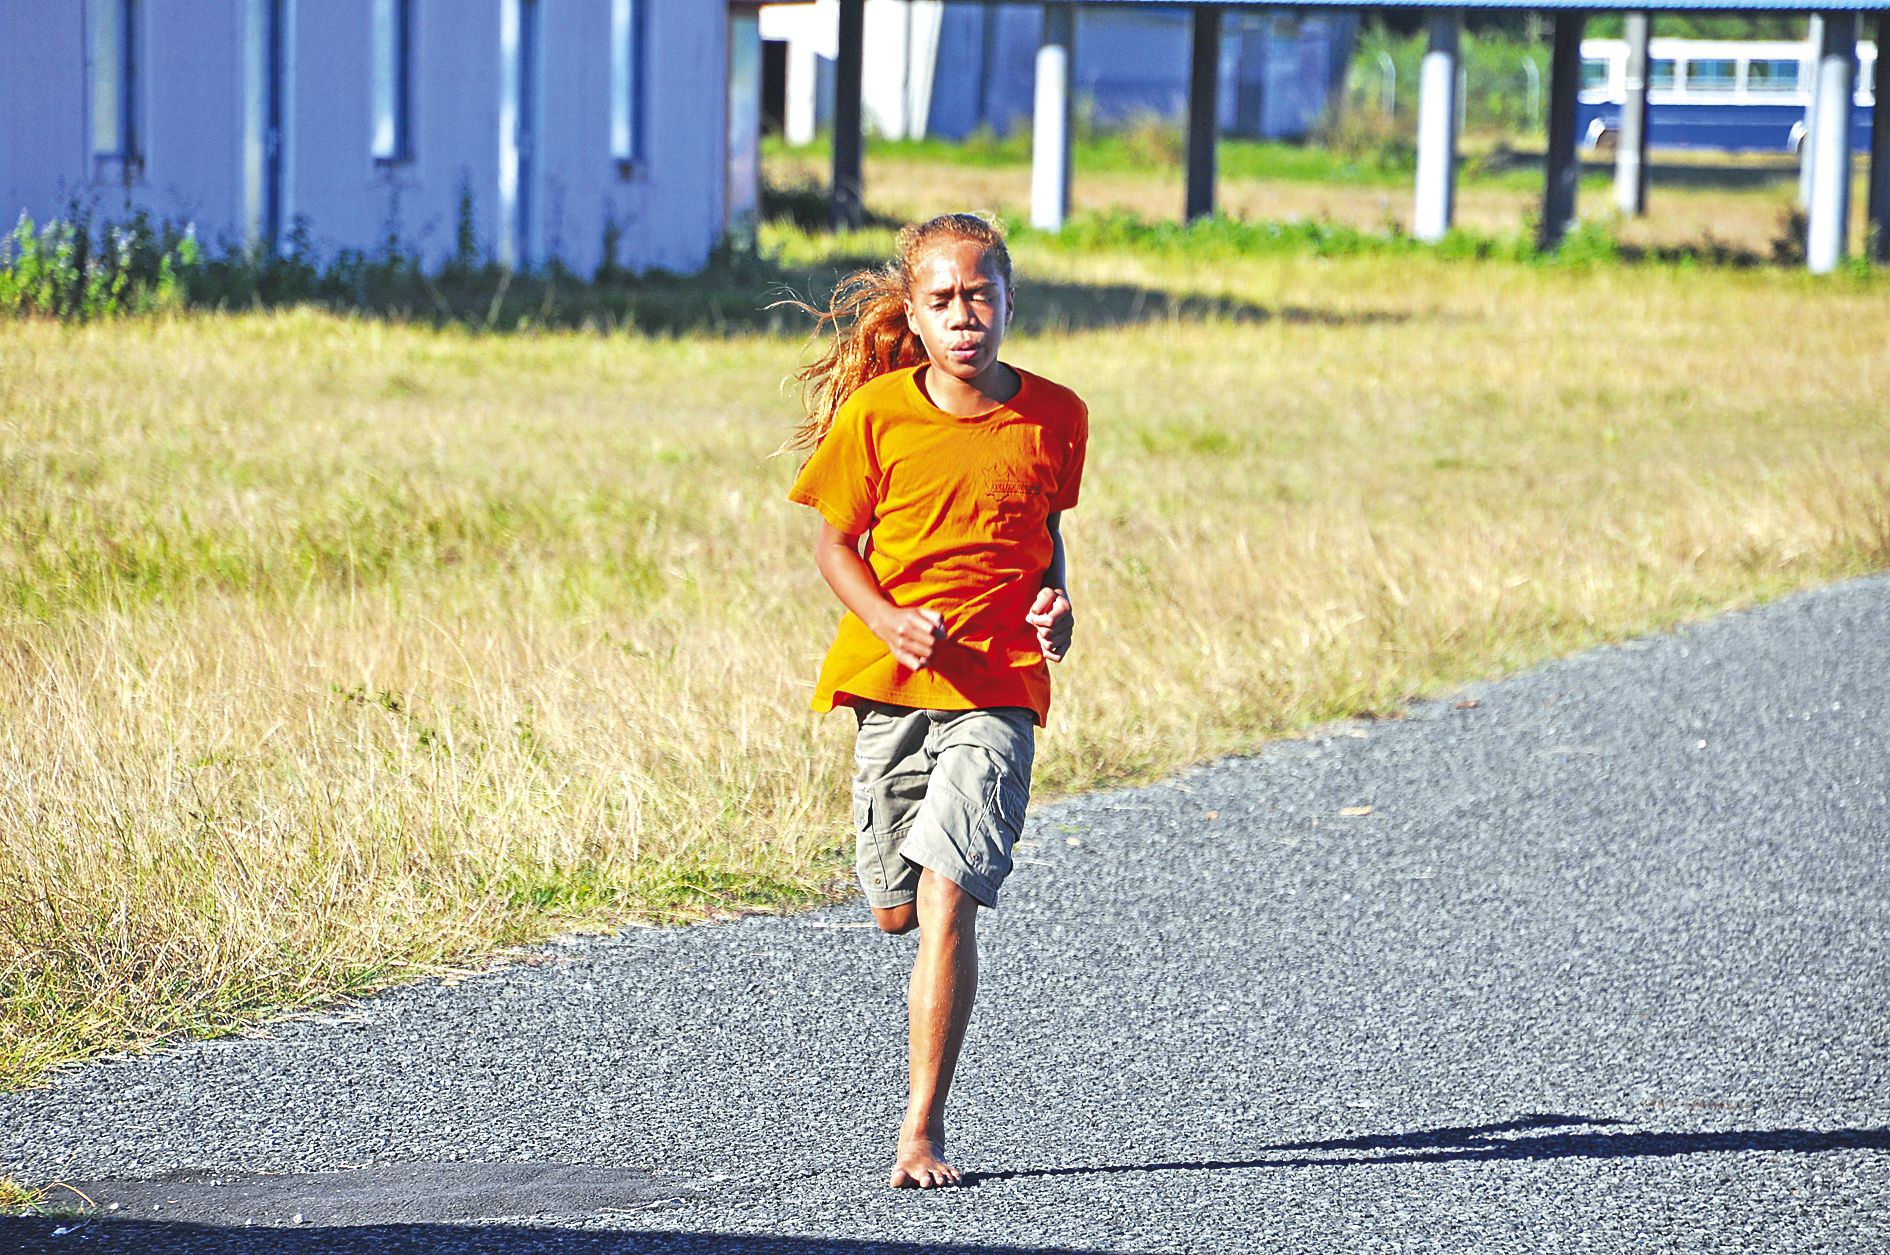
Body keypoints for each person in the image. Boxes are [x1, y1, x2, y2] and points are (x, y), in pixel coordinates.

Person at [783, 213, 1087, 1189]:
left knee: (950, 894)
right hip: (893, 685)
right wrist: (887, 617)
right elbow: (834, 544)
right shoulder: (877, 415)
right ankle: (903, 909)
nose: (966, 316)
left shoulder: (1057, 415)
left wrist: (1057, 604)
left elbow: (1043, 534)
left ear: (1008, 300)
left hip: (999, 687)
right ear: (912, 316)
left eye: (981, 295)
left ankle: (922, 1130)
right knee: (896, 906)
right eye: (944, 301)